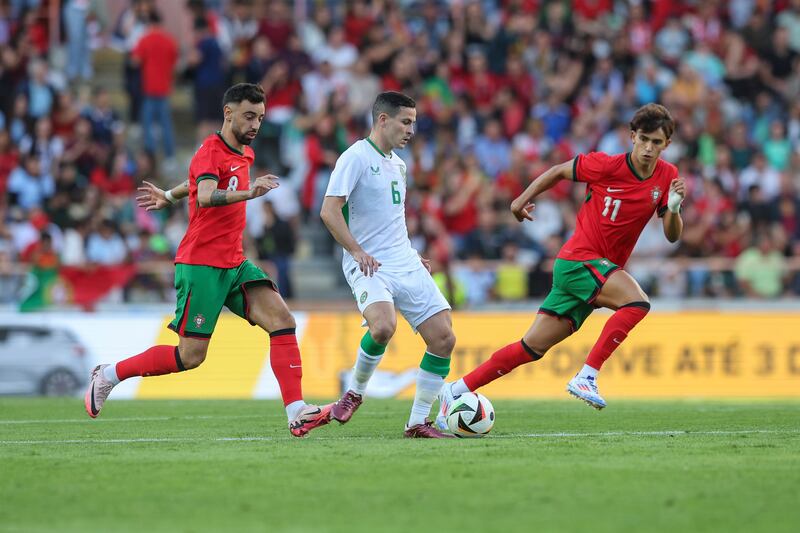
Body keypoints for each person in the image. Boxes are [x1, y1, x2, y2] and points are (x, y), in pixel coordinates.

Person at [84, 83, 332, 438]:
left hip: (234, 262)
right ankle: (109, 374)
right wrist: (250, 192)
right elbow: (205, 194)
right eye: (249, 116)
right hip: (201, 264)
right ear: (228, 113)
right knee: (190, 357)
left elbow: (194, 184)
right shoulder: (209, 150)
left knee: (281, 320)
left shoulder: (243, 153)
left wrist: (169, 195)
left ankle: (297, 412)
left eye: (260, 118)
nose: (255, 125)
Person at [437, 103, 686, 421]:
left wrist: (675, 209)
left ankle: (456, 389)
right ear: (632, 136)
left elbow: (672, 236)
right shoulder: (605, 165)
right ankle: (588, 375)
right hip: (579, 261)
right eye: (645, 139)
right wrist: (520, 200)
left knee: (531, 348)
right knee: (637, 303)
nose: (649, 148)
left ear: (667, 144)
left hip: (596, 271)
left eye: (657, 142)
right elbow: (557, 172)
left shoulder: (668, 176)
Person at [320, 92, 456, 438]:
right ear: (383, 120)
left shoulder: (399, 164)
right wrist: (356, 251)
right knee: (382, 327)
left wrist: (412, 254)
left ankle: (417, 423)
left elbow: (392, 216)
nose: (412, 129)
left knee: (443, 338)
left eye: (414, 122)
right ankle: (354, 392)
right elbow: (329, 211)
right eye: (406, 122)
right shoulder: (355, 157)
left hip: (403, 259)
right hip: (368, 263)